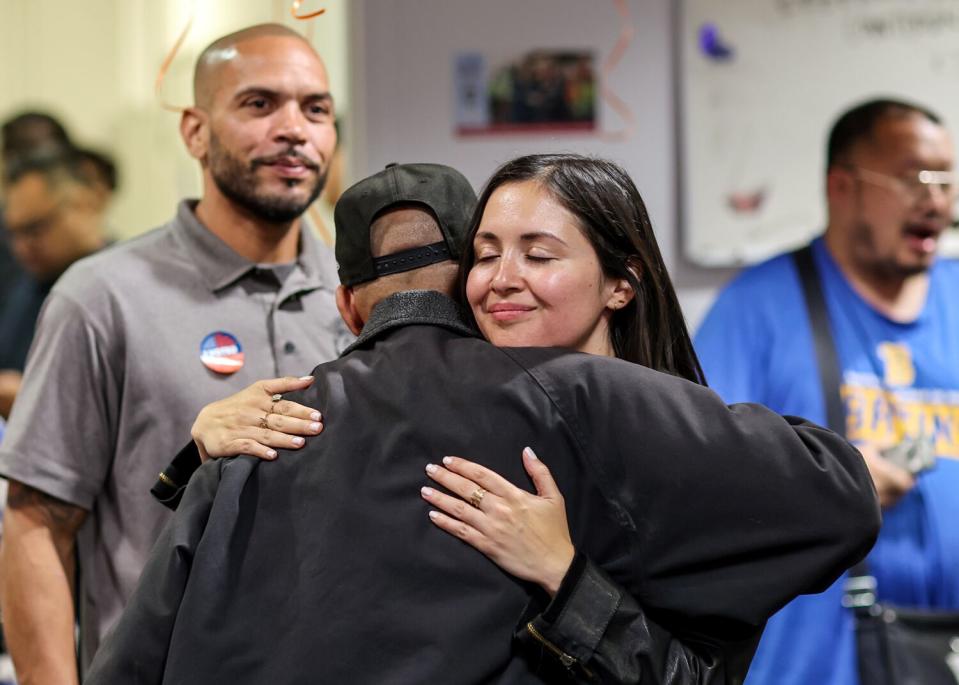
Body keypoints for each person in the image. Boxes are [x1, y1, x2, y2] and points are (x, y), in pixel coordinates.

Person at [93, 158, 879, 684]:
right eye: (487, 253)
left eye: (538, 254)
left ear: (620, 282)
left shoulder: (603, 405)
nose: (502, 280)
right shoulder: (257, 425)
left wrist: (567, 576)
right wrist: (200, 448)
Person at [0, 23, 351, 682]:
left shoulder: (357, 301)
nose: (294, 129)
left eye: (315, 109)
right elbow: (37, 525)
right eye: (258, 104)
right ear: (195, 130)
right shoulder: (103, 297)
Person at [693, 99, 959, 685]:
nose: (937, 199)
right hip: (813, 666)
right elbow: (694, 476)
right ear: (843, 186)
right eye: (915, 176)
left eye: (947, 178)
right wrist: (830, 483)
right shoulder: (755, 307)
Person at [0, 148, 114, 418]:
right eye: (13, 234)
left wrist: (31, 398)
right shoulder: (24, 289)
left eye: (34, 229)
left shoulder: (126, 289)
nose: (22, 247)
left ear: (84, 203)